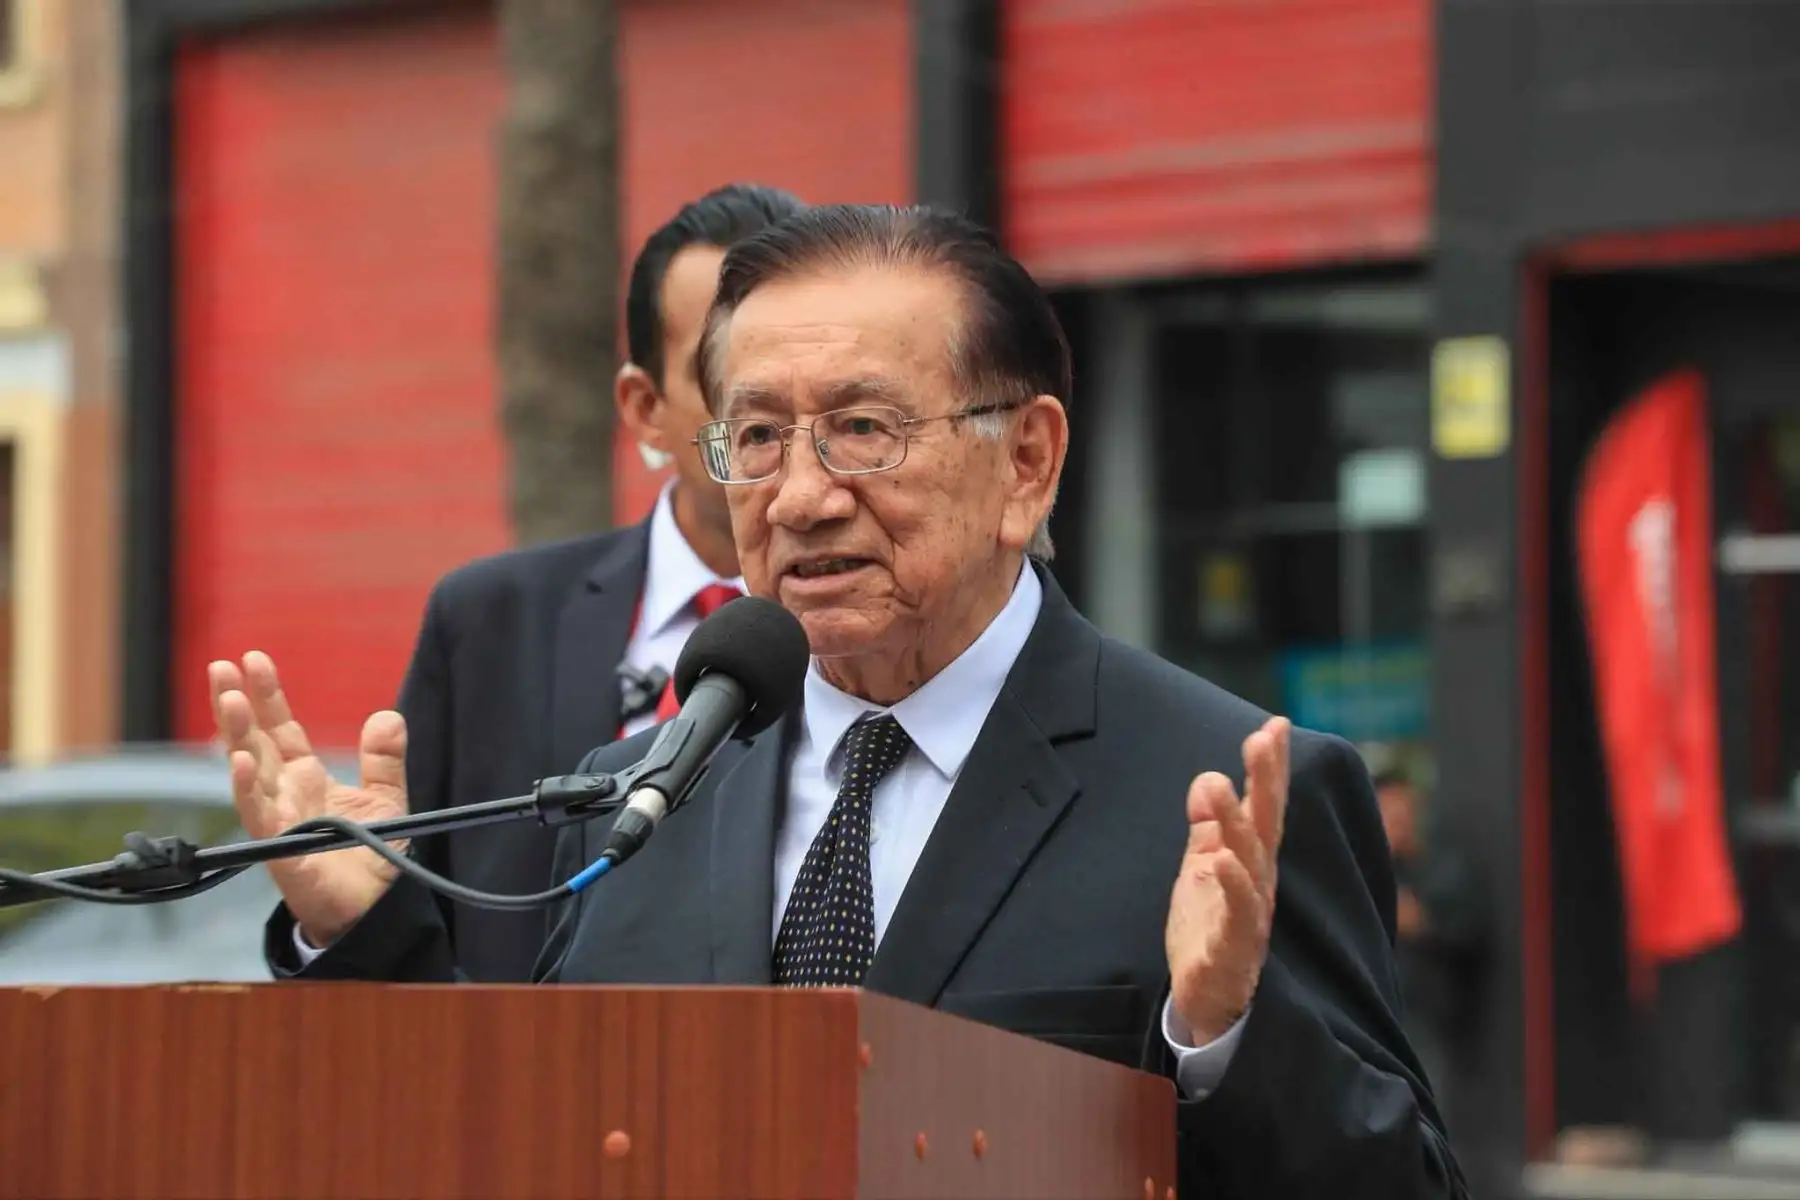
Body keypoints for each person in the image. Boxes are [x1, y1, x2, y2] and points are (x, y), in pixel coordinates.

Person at [210, 204, 1466, 1198]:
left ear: (1027, 462)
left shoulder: (1220, 791)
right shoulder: (649, 790)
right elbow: (534, 1141)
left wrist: (1223, 1037)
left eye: (862, 428)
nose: (800, 495)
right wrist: (371, 938)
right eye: (755, 438)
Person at [392, 182, 805, 981]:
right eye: (733, 378)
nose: (778, 419)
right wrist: (344, 915)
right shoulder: (488, 626)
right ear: (644, 406)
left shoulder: (890, 639)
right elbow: (416, 950)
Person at [1376, 762, 1490, 1139]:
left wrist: (1421, 925)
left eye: (1402, 813)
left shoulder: (1441, 870)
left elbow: (1470, 934)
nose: (1396, 823)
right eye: (1386, 814)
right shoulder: (1366, 872)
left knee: (1434, 1125)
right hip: (1377, 1020)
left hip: (1430, 1020)